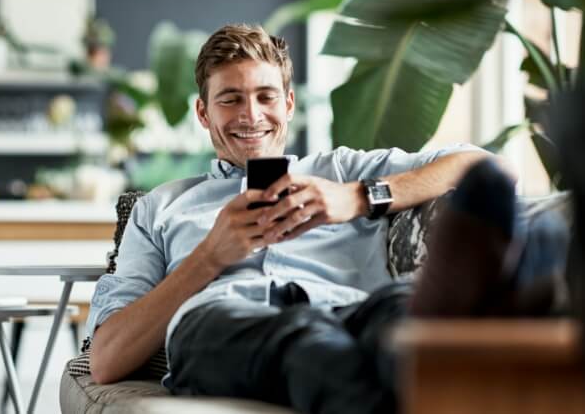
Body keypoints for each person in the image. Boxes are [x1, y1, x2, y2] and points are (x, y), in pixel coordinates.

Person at [84, 24, 561, 414]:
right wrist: (208, 258)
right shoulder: (160, 207)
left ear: (288, 104)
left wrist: (358, 198)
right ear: (203, 114)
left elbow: (489, 168)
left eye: (266, 96)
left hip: (352, 307)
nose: (251, 115)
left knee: (395, 312)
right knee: (307, 344)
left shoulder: (343, 171)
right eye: (230, 99)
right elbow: (106, 360)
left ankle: (441, 321)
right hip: (220, 321)